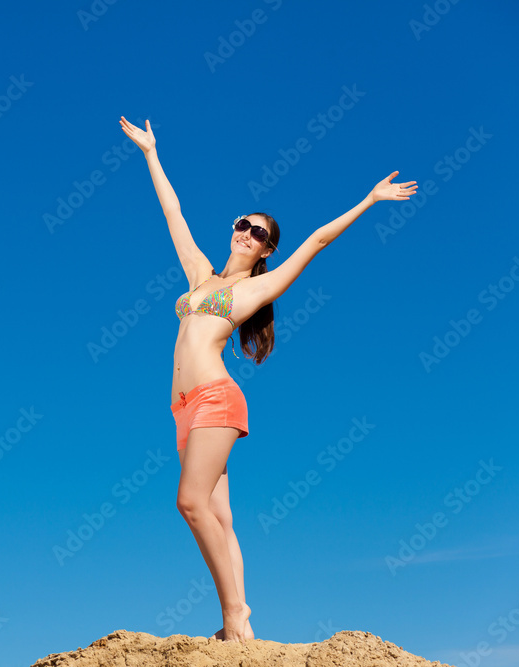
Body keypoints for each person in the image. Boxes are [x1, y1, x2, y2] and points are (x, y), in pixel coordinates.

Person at [119, 116, 416, 643]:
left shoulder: (257, 291)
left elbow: (319, 241)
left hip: (215, 400)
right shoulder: (200, 277)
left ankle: (236, 616)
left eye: (258, 233)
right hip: (183, 409)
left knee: (189, 502)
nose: (246, 233)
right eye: (243, 223)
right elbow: (173, 212)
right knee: (219, 516)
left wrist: (369, 201)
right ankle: (242, 627)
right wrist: (150, 154)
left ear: (265, 250)